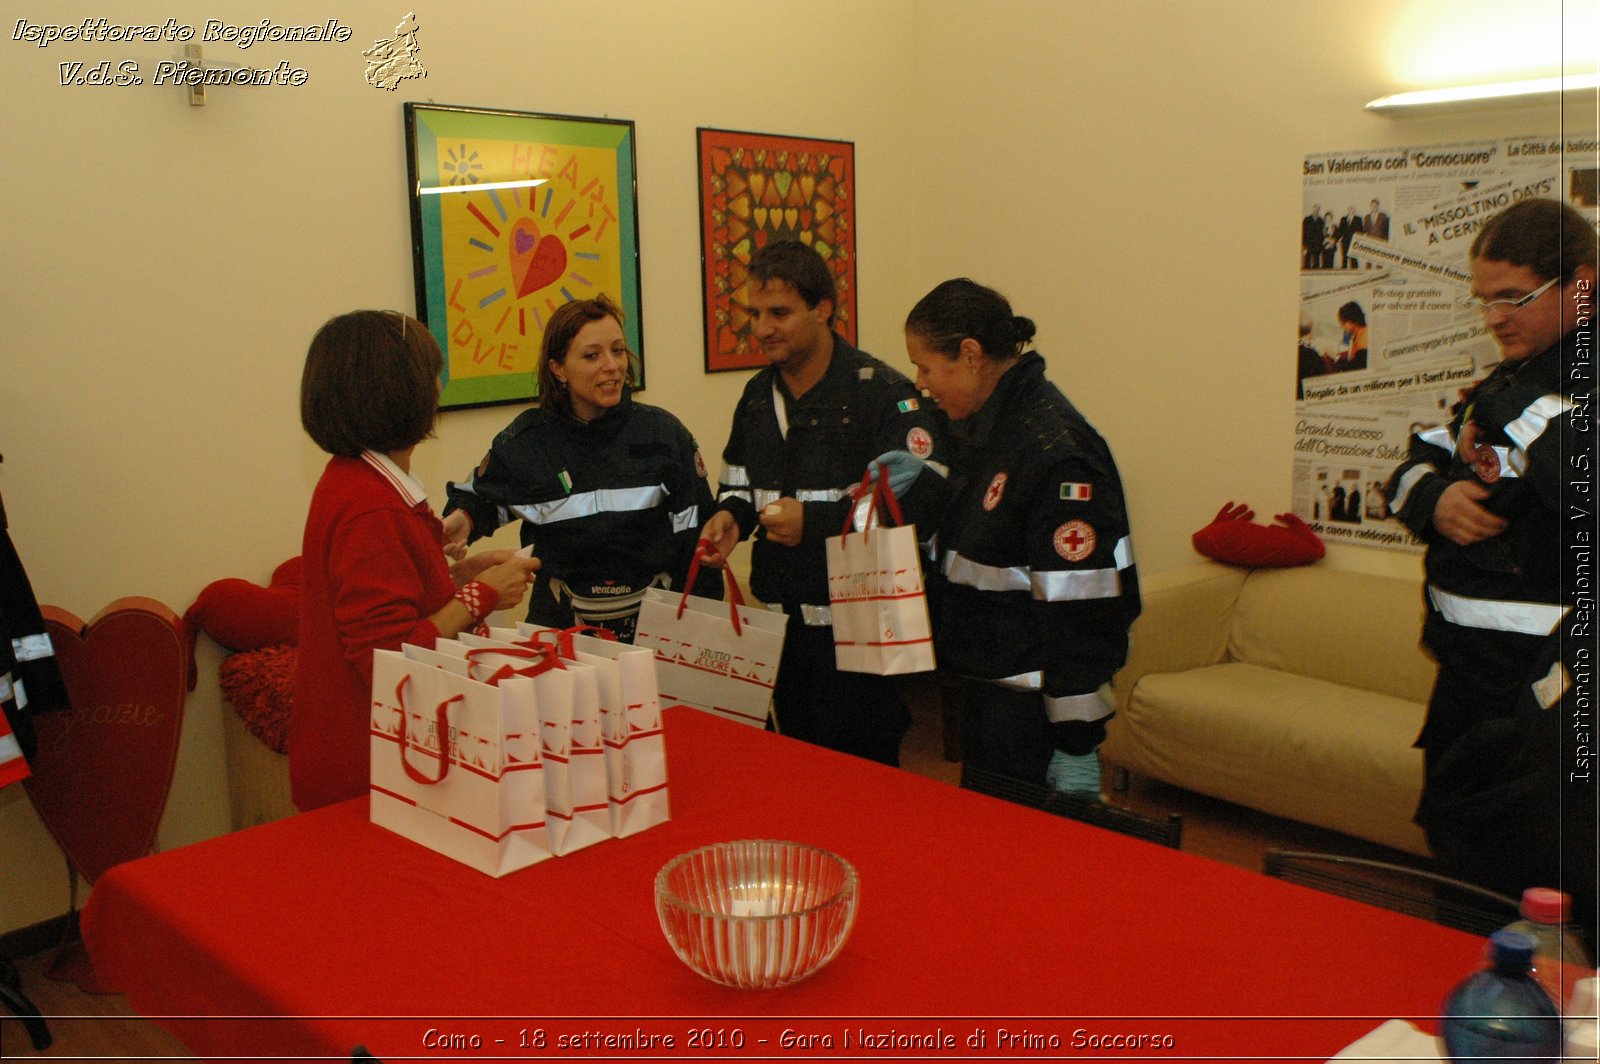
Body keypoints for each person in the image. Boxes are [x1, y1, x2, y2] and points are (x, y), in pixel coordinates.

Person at [1384, 197, 1595, 864]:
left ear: (1582, 286)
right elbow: (1417, 464)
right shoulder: (1514, 375)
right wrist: (1436, 498)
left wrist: (1515, 408)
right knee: (1457, 853)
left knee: (1532, 889)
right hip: (1469, 682)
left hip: (1548, 695)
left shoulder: (1538, 387)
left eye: (1513, 297)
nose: (1495, 317)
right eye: (1484, 300)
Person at [697, 241, 948, 765]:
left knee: (866, 789)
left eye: (780, 313)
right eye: (755, 314)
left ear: (823, 310)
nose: (763, 328)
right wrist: (731, 517)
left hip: (860, 637)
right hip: (782, 632)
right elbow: (738, 482)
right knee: (794, 777)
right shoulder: (755, 397)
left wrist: (815, 522)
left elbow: (920, 505)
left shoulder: (884, 395)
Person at [903, 278, 1140, 798]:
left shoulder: (1053, 450)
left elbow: (1083, 608)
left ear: (969, 354)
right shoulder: (993, 430)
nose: (920, 383)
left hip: (1033, 716)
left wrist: (1077, 742)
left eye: (924, 366)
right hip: (990, 697)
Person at [293, 310, 538, 812]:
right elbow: (387, 657)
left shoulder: (356, 480)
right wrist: (481, 596)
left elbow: (392, 596)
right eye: (432, 373)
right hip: (372, 772)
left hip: (366, 760)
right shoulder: (372, 504)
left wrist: (459, 576)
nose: (439, 387)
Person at [443, 295, 719, 641]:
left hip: (652, 632)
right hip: (560, 630)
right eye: (592, 355)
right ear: (558, 368)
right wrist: (463, 519)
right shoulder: (528, 441)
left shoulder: (663, 434)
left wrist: (703, 634)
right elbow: (482, 498)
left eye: (618, 351)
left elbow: (699, 541)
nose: (613, 366)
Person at [1335, 301, 1368, 371]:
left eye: (1343, 323)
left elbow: (1356, 367)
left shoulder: (1365, 336)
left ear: (1353, 321)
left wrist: (1337, 358)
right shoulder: (1354, 335)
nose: (1341, 326)